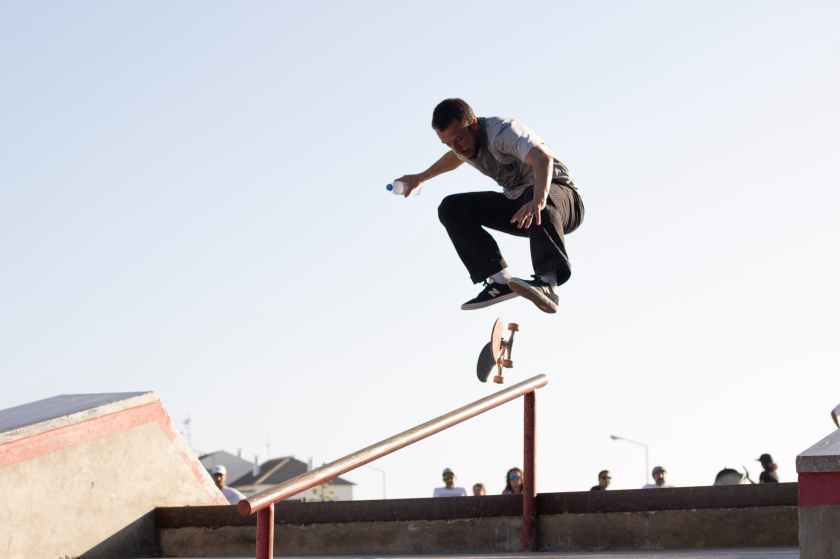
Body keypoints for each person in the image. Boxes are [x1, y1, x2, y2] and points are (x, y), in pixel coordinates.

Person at [396, 98, 584, 313]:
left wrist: (538, 200)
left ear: (474, 124)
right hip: (522, 209)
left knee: (534, 194)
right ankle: (500, 280)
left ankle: (548, 283)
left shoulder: (502, 132)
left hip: (563, 201)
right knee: (451, 208)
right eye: (449, 143)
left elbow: (542, 158)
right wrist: (420, 177)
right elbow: (452, 158)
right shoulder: (461, 146)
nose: (457, 148)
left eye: (459, 139)